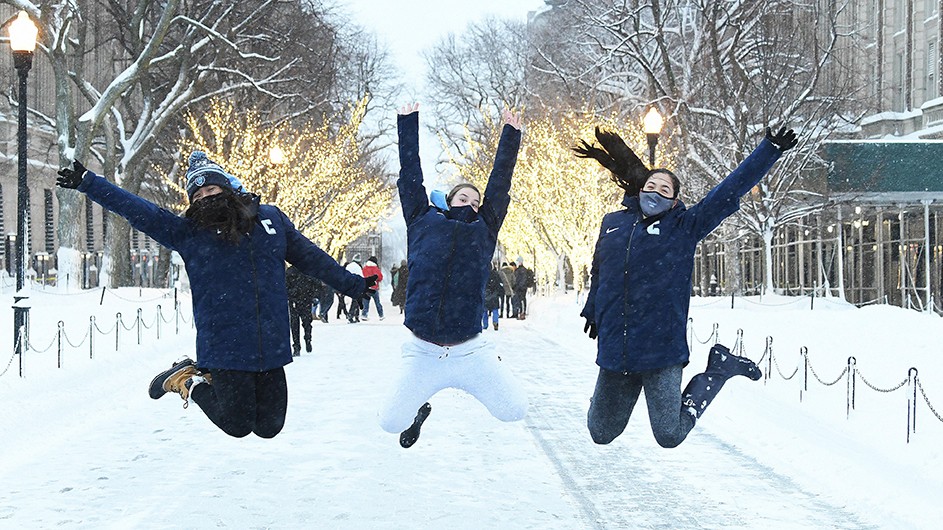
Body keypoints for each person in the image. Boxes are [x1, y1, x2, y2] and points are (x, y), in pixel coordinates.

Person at [56, 152, 375, 439]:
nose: (206, 197)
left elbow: (312, 257)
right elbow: (140, 211)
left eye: (211, 189)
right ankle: (188, 381)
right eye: (198, 194)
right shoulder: (189, 233)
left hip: (269, 341)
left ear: (228, 189)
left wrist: (353, 285)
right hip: (225, 344)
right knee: (237, 425)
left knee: (269, 427)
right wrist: (89, 183)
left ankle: (196, 379)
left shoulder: (270, 220)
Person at [574, 125, 797, 447]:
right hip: (616, 348)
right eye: (651, 185)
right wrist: (593, 308)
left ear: (675, 199)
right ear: (639, 190)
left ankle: (719, 370)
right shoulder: (613, 223)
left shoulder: (684, 227)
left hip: (660, 349)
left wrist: (769, 151)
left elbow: (730, 190)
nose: (656, 192)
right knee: (600, 432)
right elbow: (600, 269)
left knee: (669, 434)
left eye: (665, 189)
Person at [378, 102, 528, 448]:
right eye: (464, 196)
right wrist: (407, 122)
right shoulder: (422, 219)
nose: (471, 202)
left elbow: (500, 182)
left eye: (476, 200)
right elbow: (410, 173)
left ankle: (490, 365)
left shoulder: (484, 228)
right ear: (448, 200)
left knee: (514, 410)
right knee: (390, 422)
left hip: (470, 350)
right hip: (423, 350)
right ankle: (418, 409)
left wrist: (511, 135)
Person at [286, 265, 321, 355]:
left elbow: (316, 284)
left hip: (306, 300)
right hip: (294, 301)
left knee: (307, 322)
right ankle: (296, 346)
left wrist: (315, 296)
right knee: (294, 324)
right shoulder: (291, 271)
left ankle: (307, 338)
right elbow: (285, 286)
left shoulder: (308, 270)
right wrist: (291, 293)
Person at [361, 256, 385, 321]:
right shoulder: (376, 269)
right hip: (374, 288)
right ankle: (381, 315)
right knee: (377, 302)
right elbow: (380, 277)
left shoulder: (364, 268)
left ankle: (364, 314)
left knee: (366, 303)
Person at [483, 263, 504, 331]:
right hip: (494, 295)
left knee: (485, 311)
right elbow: (500, 284)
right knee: (495, 310)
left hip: (486, 295)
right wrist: (500, 293)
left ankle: (485, 325)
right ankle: (495, 322)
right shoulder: (496, 274)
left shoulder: (483, 275)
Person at [344, 258, 363, 323]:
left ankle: (354, 315)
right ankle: (352, 315)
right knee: (356, 301)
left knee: (355, 301)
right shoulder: (358, 267)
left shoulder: (349, 266)